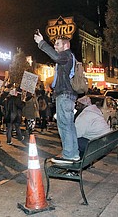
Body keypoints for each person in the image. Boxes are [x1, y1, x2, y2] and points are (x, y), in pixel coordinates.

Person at [34, 31, 80, 161]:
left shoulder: (65, 55)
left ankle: (69, 155)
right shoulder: (69, 56)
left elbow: (56, 57)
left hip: (64, 95)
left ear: (66, 45)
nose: (55, 46)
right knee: (69, 125)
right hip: (67, 95)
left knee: (64, 125)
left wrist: (42, 43)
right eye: (54, 44)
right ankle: (73, 153)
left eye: (57, 44)